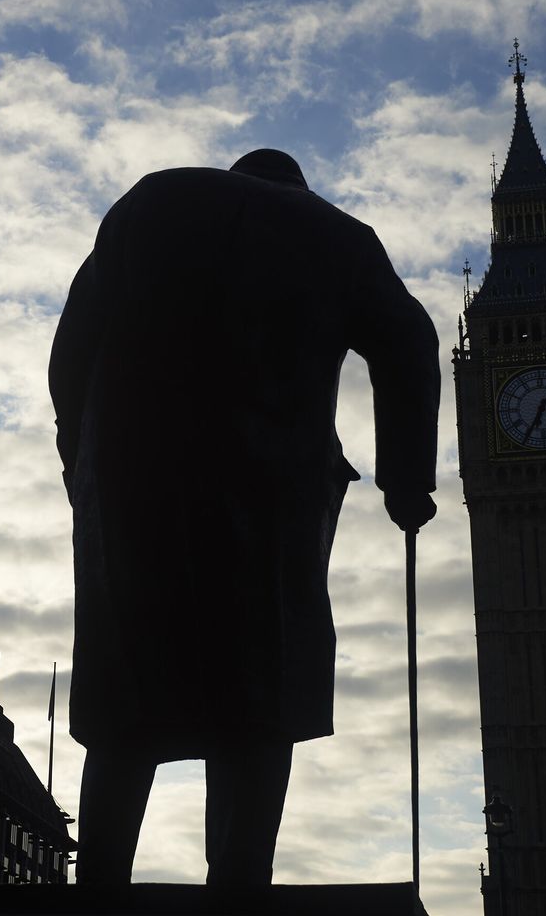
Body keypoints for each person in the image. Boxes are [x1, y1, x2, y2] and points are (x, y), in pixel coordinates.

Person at [49, 149, 439, 887]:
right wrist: (405, 481)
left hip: (136, 485)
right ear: (295, 184)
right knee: (260, 685)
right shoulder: (338, 234)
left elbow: (70, 349)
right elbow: (410, 345)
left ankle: (97, 880)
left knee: (128, 686)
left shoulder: (150, 200)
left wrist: (81, 455)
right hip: (270, 494)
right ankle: (237, 880)